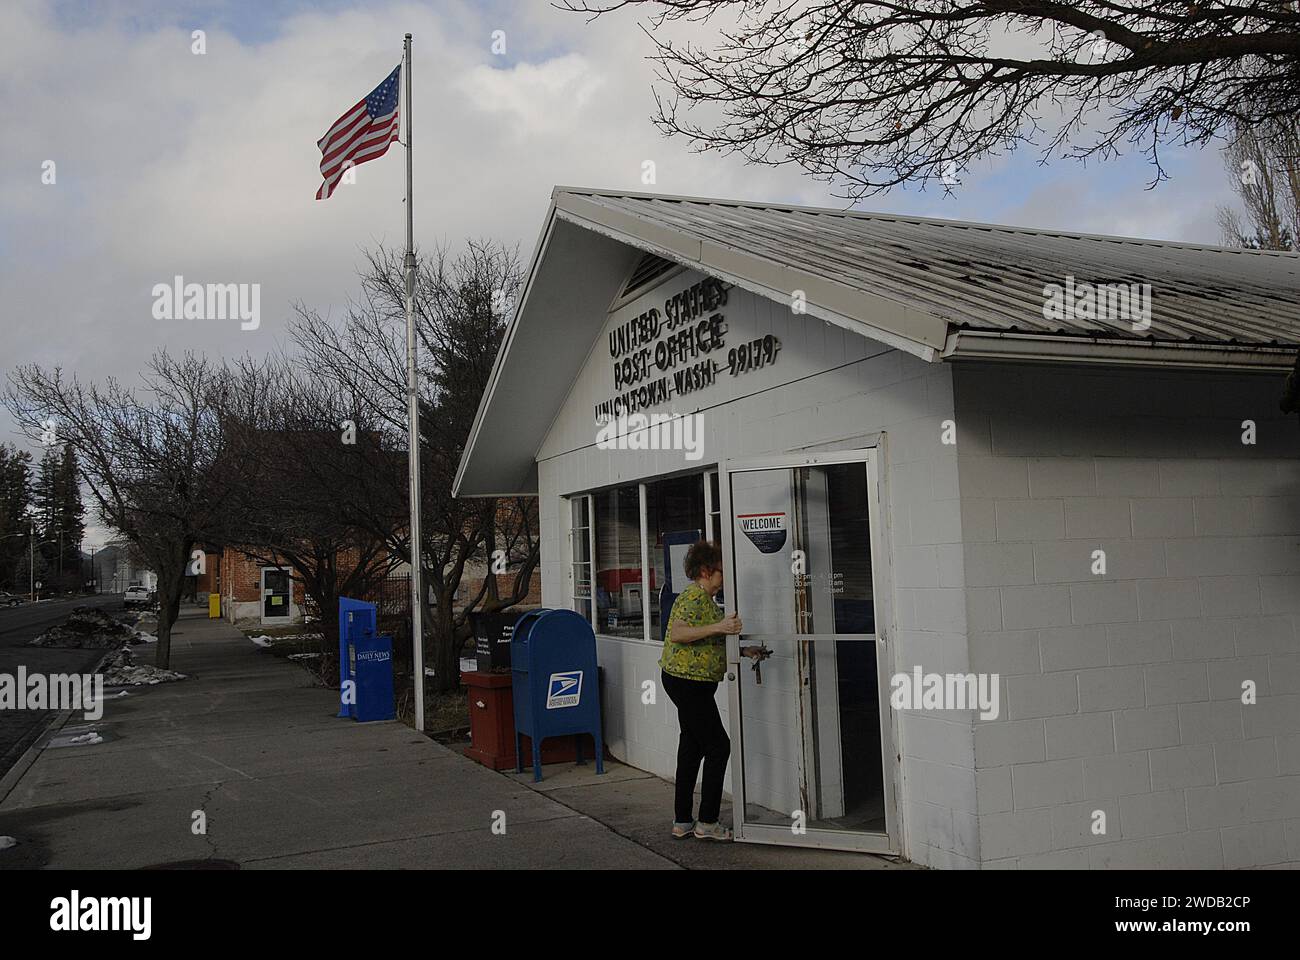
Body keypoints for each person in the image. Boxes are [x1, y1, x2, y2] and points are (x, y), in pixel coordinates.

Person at [659, 540, 760, 841]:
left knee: (691, 745)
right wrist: (721, 628)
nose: (724, 577)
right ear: (706, 571)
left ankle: (682, 820)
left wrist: (743, 650)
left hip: (690, 682)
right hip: (688, 682)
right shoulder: (693, 596)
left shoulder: (705, 600)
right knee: (718, 746)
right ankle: (707, 822)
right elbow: (679, 633)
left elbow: (708, 640)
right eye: (721, 571)